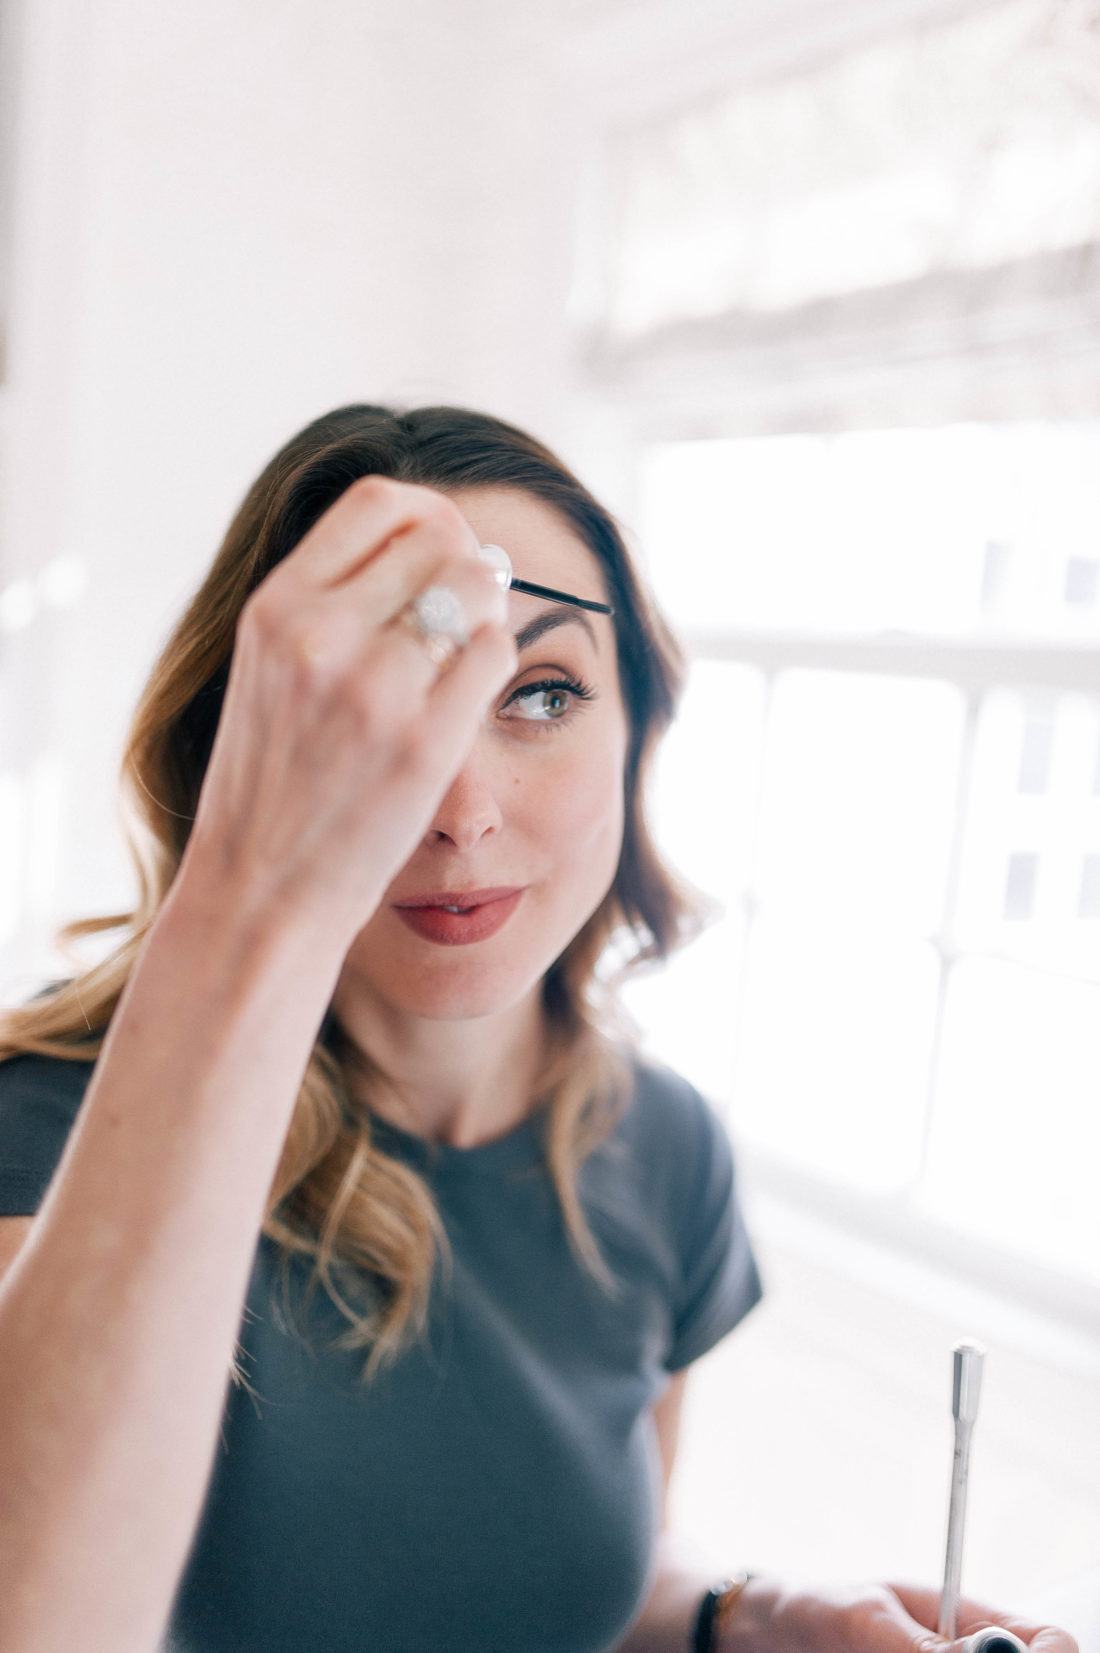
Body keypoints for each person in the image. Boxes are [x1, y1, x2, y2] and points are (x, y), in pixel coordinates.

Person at [0, 404, 1077, 1653]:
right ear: (245, 751)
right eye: (386, 718)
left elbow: (581, 1582)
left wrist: (752, 1615)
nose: (458, 809)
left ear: (638, 732)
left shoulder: (665, 1151)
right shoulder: (50, 1126)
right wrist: (251, 898)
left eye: (544, 693)